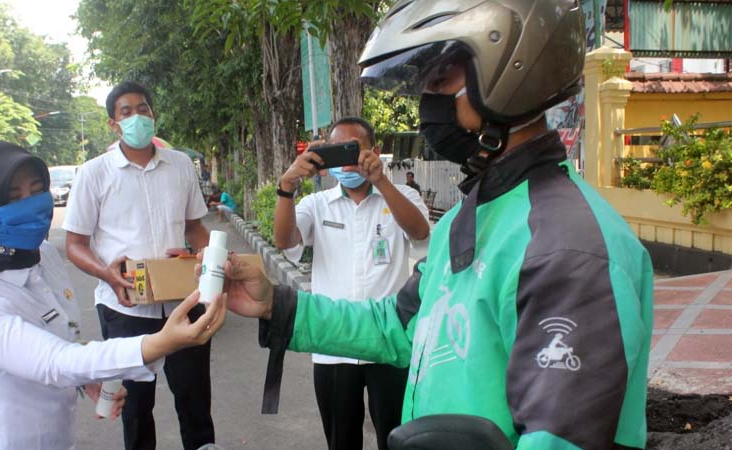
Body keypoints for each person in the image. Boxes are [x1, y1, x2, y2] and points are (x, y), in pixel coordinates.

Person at [217, 1, 654, 449]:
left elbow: (563, 437)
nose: (429, 101)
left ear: (509, 75)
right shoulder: (469, 216)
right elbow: (398, 325)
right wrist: (276, 303)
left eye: (442, 79)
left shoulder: (565, 248)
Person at [0, 141, 226, 450]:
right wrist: (165, 342)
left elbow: (61, 336)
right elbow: (55, 361)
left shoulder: (43, 256)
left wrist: (85, 380)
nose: (31, 204)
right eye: (13, 197)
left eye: (37, 191)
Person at [64, 81, 215, 450]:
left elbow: (195, 228)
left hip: (183, 300)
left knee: (195, 403)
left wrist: (215, 265)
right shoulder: (94, 173)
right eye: (126, 112)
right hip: (125, 304)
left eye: (143, 109)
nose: (136, 117)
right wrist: (106, 274)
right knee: (136, 408)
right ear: (113, 124)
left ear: (154, 115)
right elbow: (75, 244)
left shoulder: (179, 165)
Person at [273, 116, 430, 450]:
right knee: (341, 441)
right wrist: (287, 185)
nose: (345, 161)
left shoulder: (401, 195)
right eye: (336, 151)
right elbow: (285, 241)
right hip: (335, 346)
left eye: (351, 150)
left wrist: (382, 183)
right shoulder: (315, 204)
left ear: (374, 151)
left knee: (396, 438)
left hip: (390, 344)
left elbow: (420, 232)